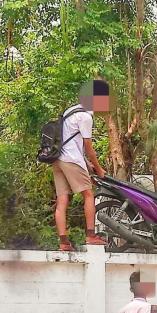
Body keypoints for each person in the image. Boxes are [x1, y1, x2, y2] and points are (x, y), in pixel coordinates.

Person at [53, 79, 109, 251]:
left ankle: (63, 242)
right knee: (88, 195)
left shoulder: (71, 110)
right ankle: (91, 236)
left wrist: (87, 165)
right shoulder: (85, 116)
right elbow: (88, 147)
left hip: (58, 159)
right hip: (71, 159)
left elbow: (70, 140)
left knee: (62, 200)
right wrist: (98, 169)